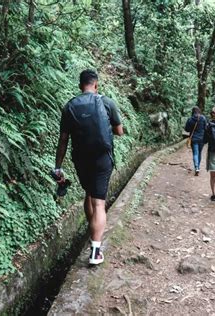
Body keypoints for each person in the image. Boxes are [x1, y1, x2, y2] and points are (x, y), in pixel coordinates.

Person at [54, 69, 123, 265]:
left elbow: (63, 139)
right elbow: (119, 131)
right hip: (102, 158)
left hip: (81, 159)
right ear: (96, 84)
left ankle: (92, 229)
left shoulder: (70, 107)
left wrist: (58, 166)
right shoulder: (106, 102)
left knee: (89, 195)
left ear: (79, 86)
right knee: (100, 203)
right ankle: (95, 251)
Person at [184, 106, 207, 176]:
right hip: (202, 139)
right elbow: (206, 128)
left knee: (195, 153)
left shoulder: (190, 119)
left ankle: (196, 167)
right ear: (199, 111)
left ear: (192, 112)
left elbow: (186, 129)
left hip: (194, 139)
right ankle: (198, 167)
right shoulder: (203, 118)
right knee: (199, 153)